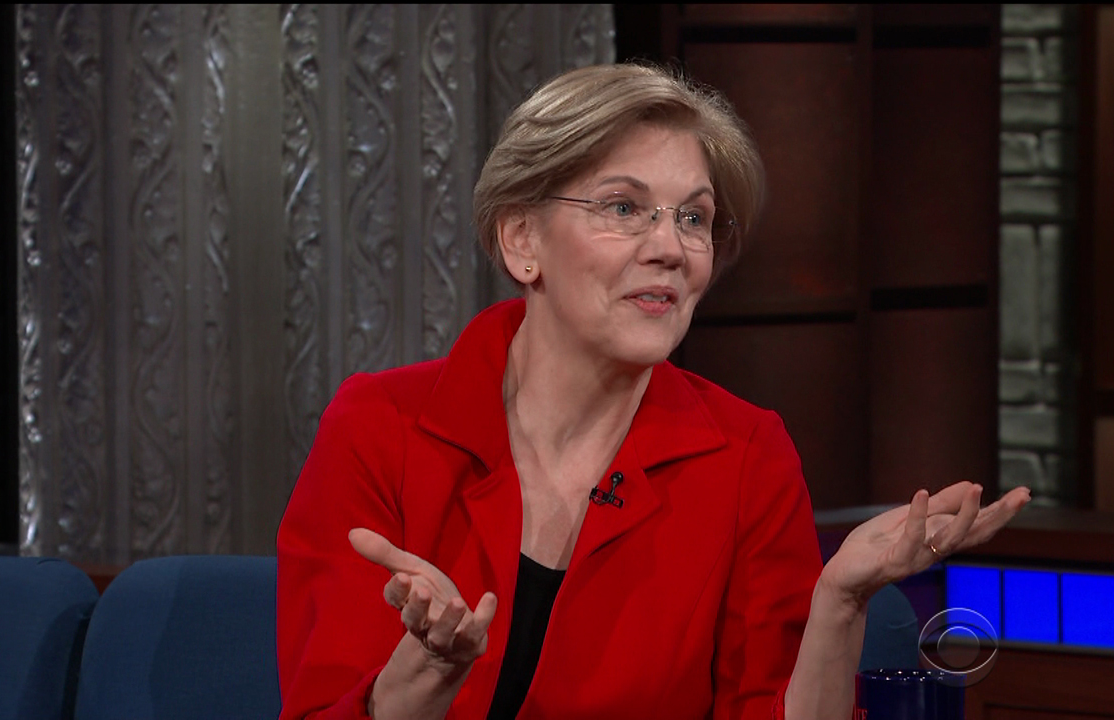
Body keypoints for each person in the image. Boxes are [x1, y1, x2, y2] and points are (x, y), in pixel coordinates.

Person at [276, 62, 1030, 720]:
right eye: (624, 208)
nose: (669, 248)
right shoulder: (381, 429)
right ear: (522, 240)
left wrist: (838, 603)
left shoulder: (746, 458)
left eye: (693, 218)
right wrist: (423, 682)